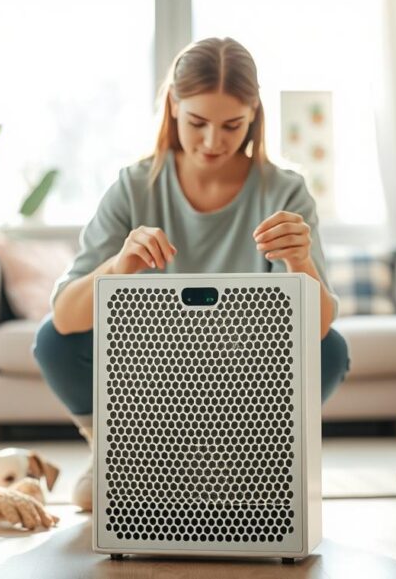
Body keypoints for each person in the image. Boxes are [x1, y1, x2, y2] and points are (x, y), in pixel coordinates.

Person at [33, 37, 350, 512]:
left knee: (331, 350)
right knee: (54, 342)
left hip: (244, 383)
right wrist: (119, 267)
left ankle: (247, 462)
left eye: (232, 126)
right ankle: (117, 455)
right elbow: (63, 318)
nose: (212, 142)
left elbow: (319, 330)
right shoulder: (134, 186)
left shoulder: (284, 190)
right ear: (173, 107)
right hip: (150, 379)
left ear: (254, 116)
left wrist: (300, 263)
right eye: (197, 123)